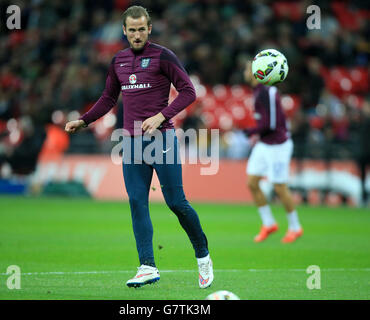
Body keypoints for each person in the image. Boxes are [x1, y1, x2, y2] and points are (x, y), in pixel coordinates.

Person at [65, 6, 213, 288]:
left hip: (162, 139)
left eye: (141, 29)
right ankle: (147, 266)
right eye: (131, 30)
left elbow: (189, 91)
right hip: (131, 142)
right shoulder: (118, 61)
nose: (136, 34)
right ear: (124, 30)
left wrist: (161, 116)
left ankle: (203, 255)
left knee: (176, 203)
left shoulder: (163, 56)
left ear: (149, 29)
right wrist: (83, 121)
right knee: (136, 201)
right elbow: (108, 99)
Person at [243, 61, 303, 243]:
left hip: (278, 144)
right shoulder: (257, 92)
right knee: (252, 182)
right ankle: (268, 223)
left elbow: (271, 124)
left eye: (248, 69)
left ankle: (295, 226)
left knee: (279, 186)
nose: (245, 73)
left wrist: (251, 131)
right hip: (265, 143)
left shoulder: (268, 91)